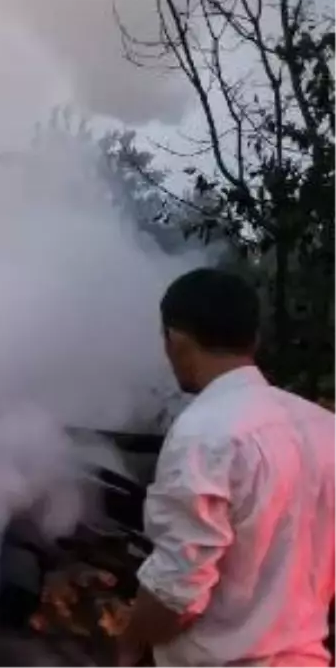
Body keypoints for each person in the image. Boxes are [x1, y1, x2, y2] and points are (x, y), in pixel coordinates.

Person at [117, 267, 336, 667]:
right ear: (253, 339)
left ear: (176, 339)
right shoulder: (324, 429)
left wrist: (129, 645)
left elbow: (177, 590)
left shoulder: (205, 433)